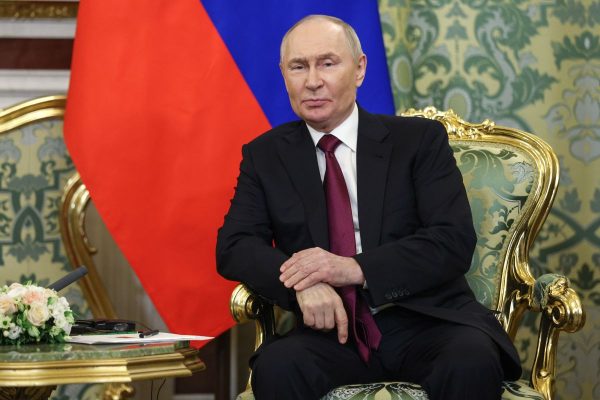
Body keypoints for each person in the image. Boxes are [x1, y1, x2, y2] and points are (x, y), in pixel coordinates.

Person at [216, 14, 521, 400]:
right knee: (277, 367)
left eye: (328, 63)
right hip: (330, 331)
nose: (313, 81)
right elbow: (235, 246)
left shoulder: (418, 141)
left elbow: (452, 240)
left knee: (470, 360)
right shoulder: (266, 156)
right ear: (284, 75)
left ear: (359, 69)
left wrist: (352, 268)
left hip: (429, 322)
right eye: (299, 67)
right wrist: (303, 285)